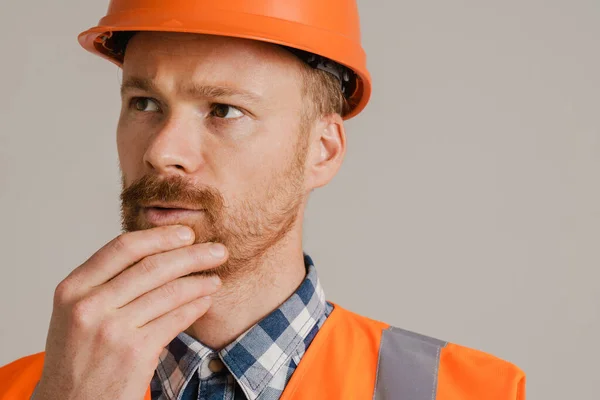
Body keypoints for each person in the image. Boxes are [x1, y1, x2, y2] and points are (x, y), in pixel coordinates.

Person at [0, 1, 525, 399]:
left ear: (322, 151)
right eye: (144, 102)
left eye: (224, 110)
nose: (162, 152)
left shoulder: (462, 391)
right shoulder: (26, 389)